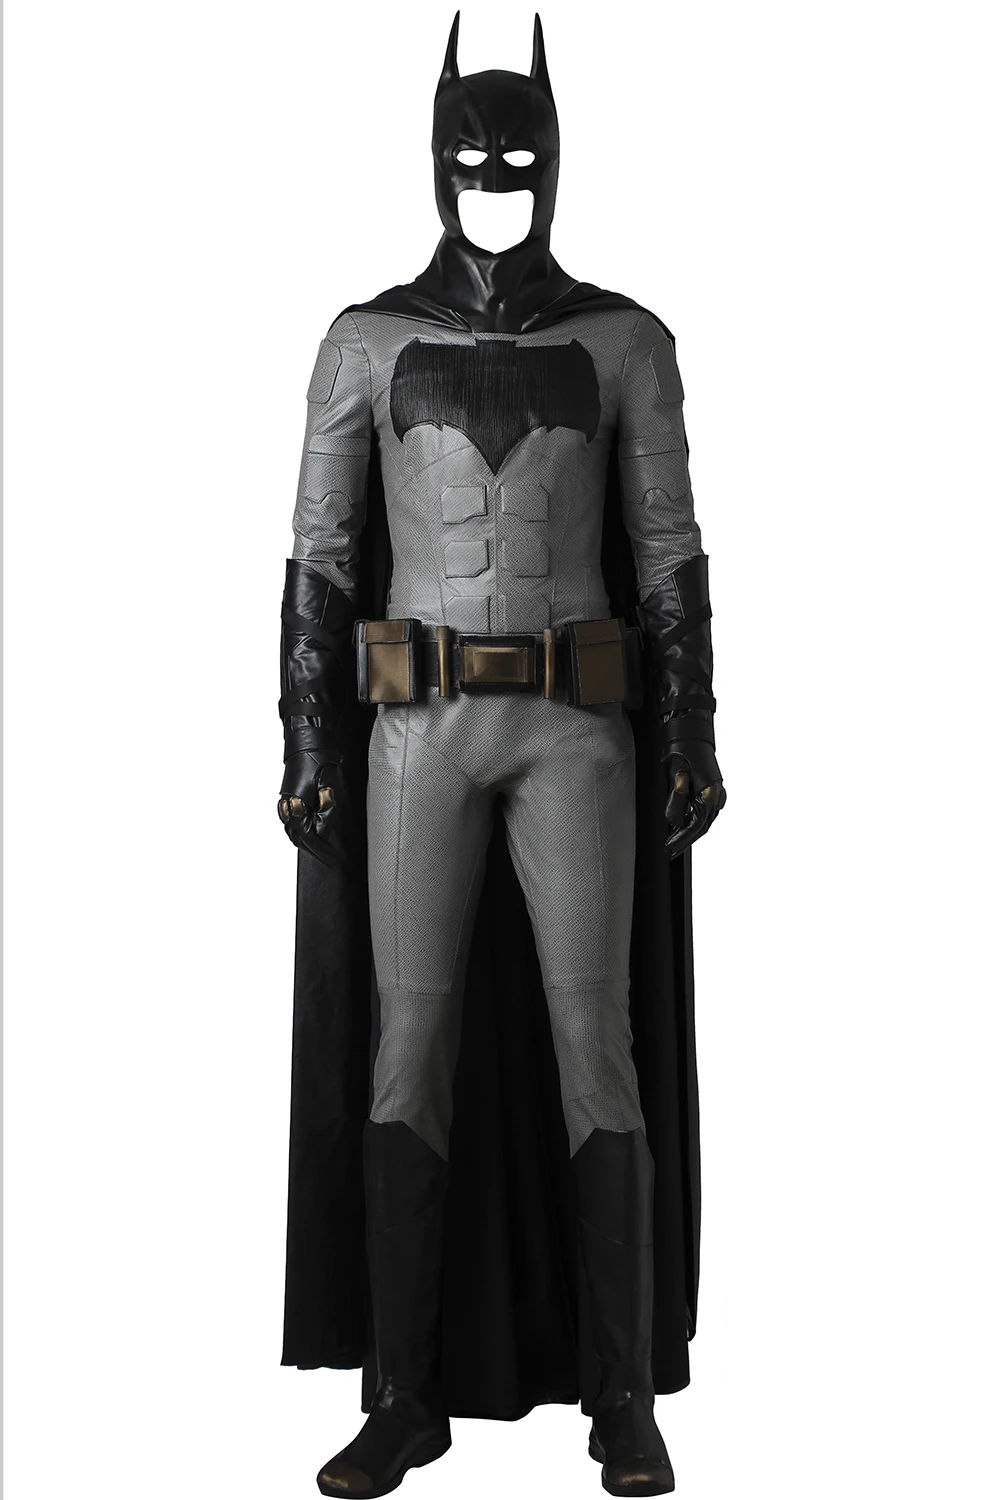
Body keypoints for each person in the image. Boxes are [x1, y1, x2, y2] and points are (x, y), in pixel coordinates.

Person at [276, 15, 725, 1497]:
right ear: (430, 164)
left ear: (558, 166)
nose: (491, 186)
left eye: (516, 162)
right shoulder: (364, 342)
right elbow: (320, 556)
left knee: (598, 1045)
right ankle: (403, 1395)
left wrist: (691, 728)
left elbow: (668, 549)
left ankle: (622, 1397)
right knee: (406, 1044)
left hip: (576, 735)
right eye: (468, 162)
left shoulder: (626, 341)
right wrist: (307, 732)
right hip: (417, 734)